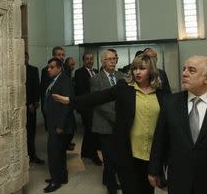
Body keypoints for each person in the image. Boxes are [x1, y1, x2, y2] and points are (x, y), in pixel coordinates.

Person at [52, 54, 167, 194]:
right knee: (130, 189)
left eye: (142, 68)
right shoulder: (125, 87)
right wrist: (71, 101)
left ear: (151, 71)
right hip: (129, 153)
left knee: (147, 190)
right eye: (135, 68)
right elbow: (99, 97)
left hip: (151, 155)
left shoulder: (161, 92)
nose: (137, 72)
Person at [148, 55, 207, 194]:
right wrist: (154, 169)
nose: (184, 73)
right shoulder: (170, 103)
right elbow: (160, 139)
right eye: (184, 69)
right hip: (180, 180)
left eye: (191, 70)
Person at [90, 50, 125, 194]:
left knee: (117, 155)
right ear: (103, 62)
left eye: (114, 59)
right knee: (108, 157)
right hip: (104, 124)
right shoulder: (95, 79)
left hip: (120, 125)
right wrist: (116, 118)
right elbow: (99, 103)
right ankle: (111, 186)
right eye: (109, 59)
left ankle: (107, 178)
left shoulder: (122, 77)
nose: (112, 61)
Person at [43, 57, 75, 193]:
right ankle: (62, 177)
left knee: (54, 153)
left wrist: (61, 126)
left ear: (59, 68)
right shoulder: (55, 80)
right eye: (48, 67)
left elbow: (66, 106)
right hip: (53, 123)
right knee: (59, 152)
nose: (48, 69)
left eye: (51, 67)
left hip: (59, 125)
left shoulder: (64, 81)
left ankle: (56, 181)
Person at [74, 53, 101, 164]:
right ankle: (94, 156)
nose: (89, 61)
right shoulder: (79, 72)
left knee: (89, 131)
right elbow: (81, 90)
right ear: (83, 60)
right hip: (87, 106)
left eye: (91, 59)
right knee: (92, 130)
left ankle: (85, 152)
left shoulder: (96, 71)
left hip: (96, 107)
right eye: (87, 59)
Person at [25, 52, 45, 165]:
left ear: (28, 57)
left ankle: (32, 155)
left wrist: (36, 101)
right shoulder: (15, 69)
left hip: (31, 107)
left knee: (31, 132)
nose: (24, 59)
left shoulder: (33, 69)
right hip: (21, 105)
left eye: (26, 56)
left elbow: (36, 86)